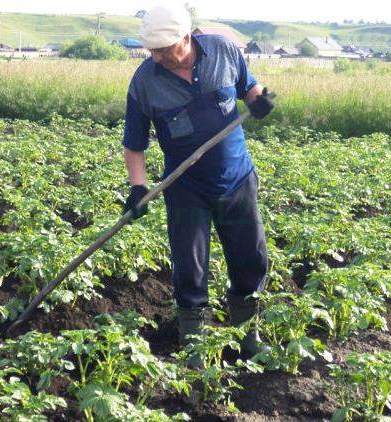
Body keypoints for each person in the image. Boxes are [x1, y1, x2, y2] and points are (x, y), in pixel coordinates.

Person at [122, 5, 274, 367]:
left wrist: (259, 99)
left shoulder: (223, 50)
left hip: (236, 179)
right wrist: (138, 188)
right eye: (152, 51)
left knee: (251, 258)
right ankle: (195, 350)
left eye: (163, 49)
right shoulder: (145, 82)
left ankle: (248, 339)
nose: (156, 58)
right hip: (186, 187)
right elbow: (135, 144)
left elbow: (248, 86)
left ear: (186, 38)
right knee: (190, 268)